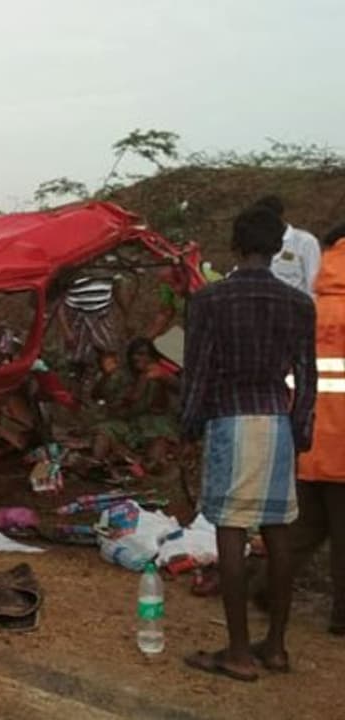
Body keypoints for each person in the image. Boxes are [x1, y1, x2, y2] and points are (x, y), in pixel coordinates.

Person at [180, 205, 317, 681]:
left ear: (235, 247)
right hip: (277, 421)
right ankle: (275, 647)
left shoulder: (210, 300)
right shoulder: (299, 304)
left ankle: (237, 653)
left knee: (232, 534)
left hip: (231, 420)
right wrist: (300, 430)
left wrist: (188, 425)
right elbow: (307, 376)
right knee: (278, 533)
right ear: (279, 247)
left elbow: (196, 372)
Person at [288, 223, 345, 634]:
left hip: (307, 440)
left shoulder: (307, 309)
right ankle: (342, 617)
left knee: (303, 530)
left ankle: (265, 590)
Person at [91, 338, 179, 472]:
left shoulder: (159, 372)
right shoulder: (121, 374)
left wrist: (164, 378)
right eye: (135, 354)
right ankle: (95, 465)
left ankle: (150, 464)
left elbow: (181, 388)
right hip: (126, 422)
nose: (136, 358)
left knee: (159, 445)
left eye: (143, 354)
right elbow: (98, 395)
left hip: (154, 424)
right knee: (103, 432)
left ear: (152, 357)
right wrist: (106, 375)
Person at [255, 194, 321, 296]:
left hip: (297, 308)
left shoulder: (306, 242)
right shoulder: (257, 244)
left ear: (280, 217)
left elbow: (314, 285)